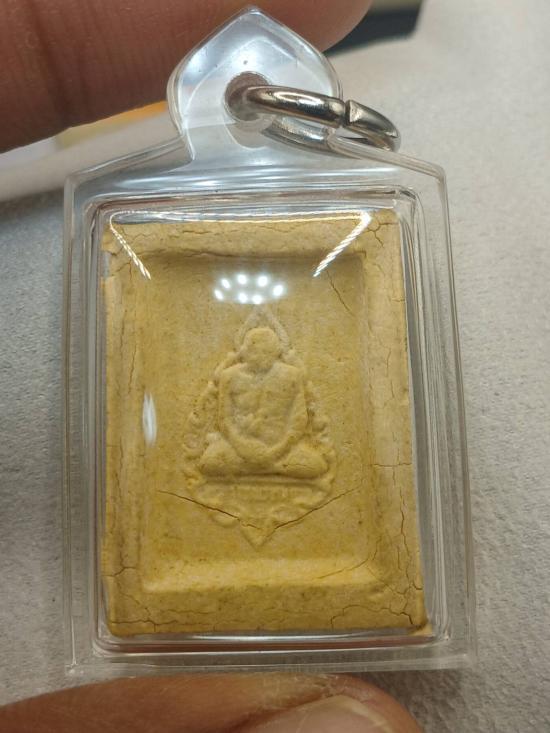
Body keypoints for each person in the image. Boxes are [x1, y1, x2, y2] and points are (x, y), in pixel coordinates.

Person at [0, 1, 422, 730]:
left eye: (263, 347)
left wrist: (273, 451)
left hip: (282, 461)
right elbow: (217, 425)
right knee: (219, 455)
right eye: (250, 347)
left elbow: (298, 428)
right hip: (236, 459)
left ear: (273, 346)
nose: (256, 352)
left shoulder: (289, 374)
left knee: (302, 460)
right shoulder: (227, 374)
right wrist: (248, 447)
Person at [200, 327, 328, 479]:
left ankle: (262, 467)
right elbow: (224, 420)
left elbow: (298, 422)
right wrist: (242, 447)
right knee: (209, 462)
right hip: (240, 448)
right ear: (244, 352)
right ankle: (272, 469)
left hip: (281, 449)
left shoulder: (292, 376)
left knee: (316, 465)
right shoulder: (229, 376)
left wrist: (276, 451)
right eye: (254, 351)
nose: (259, 357)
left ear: (276, 352)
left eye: (266, 352)